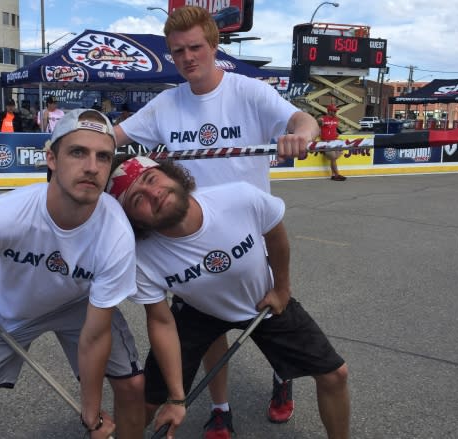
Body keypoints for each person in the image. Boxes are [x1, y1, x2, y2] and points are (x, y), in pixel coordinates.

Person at [0, 109, 185, 439]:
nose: (91, 166)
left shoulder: (116, 233)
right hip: (10, 308)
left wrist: (92, 411)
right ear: (52, 158)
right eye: (78, 152)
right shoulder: (8, 213)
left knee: (132, 386)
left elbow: (95, 336)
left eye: (103, 157)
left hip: (78, 305)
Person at [113, 6, 319, 437]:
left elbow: (303, 119)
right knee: (209, 332)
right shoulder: (165, 105)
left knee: (271, 325)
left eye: (195, 48)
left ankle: (282, 381)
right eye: (178, 52)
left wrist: (301, 135)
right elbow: (111, 139)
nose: (188, 58)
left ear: (213, 45)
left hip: (251, 234)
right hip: (190, 239)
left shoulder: (248, 92)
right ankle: (221, 408)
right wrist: (75, 145)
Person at [106, 156, 351, 439]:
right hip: (197, 310)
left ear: (171, 174)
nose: (154, 193)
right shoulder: (139, 257)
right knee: (146, 402)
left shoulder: (238, 197)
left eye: (152, 179)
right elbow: (160, 321)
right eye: (137, 200)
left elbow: (274, 233)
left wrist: (282, 288)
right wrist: (175, 397)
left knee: (336, 374)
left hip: (259, 299)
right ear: (134, 220)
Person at [319, 105, 346, 181]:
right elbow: (317, 126)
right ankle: (337, 175)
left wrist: (336, 134)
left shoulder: (336, 119)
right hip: (326, 142)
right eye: (334, 111)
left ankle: (334, 175)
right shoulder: (323, 119)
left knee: (336, 155)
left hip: (334, 141)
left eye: (336, 111)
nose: (335, 112)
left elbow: (334, 129)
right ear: (329, 111)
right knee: (333, 158)